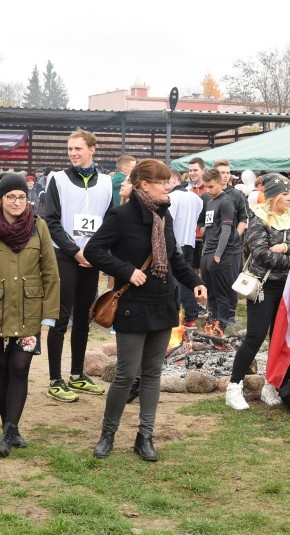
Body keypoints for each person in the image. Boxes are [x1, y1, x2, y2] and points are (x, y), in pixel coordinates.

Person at [85, 159, 206, 461]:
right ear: (143, 185)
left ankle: (145, 437)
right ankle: (107, 434)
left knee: (152, 374)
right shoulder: (121, 215)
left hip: (164, 304)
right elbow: (93, 250)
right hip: (133, 307)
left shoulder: (162, 216)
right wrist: (126, 271)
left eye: (168, 181)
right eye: (161, 181)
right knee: (126, 374)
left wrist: (195, 283)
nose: (168, 185)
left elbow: (175, 258)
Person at [0, 174, 59, 456]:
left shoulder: (38, 226)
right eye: (11, 196)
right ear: (1, 199)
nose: (17, 202)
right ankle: (11, 428)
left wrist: (49, 314)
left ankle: (8, 431)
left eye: (21, 196)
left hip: (29, 309)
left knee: (20, 368)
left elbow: (50, 272)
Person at [226, 175, 290, 410]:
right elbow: (261, 253)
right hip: (263, 287)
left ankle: (271, 385)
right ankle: (234, 387)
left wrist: (285, 247)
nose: (289, 198)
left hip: (286, 288)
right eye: (284, 194)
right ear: (273, 196)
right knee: (255, 337)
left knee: (280, 339)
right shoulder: (258, 219)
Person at [44, 129, 112, 402]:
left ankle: (77, 374)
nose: (72, 153)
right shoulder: (57, 180)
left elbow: (109, 221)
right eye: (69, 148)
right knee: (60, 319)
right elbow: (50, 221)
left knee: (84, 317)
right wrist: (75, 251)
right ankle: (54, 379)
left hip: (92, 258)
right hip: (65, 257)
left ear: (92, 149)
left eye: (78, 148)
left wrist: (96, 252)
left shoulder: (107, 182)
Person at [167, 168, 204, 328]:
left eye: (166, 182)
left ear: (174, 180)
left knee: (176, 280)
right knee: (188, 278)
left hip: (176, 243)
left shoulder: (172, 197)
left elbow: (168, 221)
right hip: (190, 241)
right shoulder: (195, 197)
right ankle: (191, 316)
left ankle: (176, 314)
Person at [199, 169, 235, 329]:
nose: (207, 190)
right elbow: (206, 225)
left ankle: (222, 323)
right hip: (207, 251)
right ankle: (213, 318)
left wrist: (218, 254)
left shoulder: (226, 202)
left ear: (221, 183)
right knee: (210, 290)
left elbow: (226, 230)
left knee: (221, 291)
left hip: (219, 253)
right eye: (206, 186)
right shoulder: (209, 200)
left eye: (211, 187)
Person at [216, 160, 249, 326]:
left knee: (231, 282)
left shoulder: (236, 195)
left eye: (227, 172)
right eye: (221, 172)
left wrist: (235, 235)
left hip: (233, 248)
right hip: (213, 248)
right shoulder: (209, 195)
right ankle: (214, 314)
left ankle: (230, 315)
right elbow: (201, 221)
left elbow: (244, 218)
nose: (225, 175)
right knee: (214, 282)